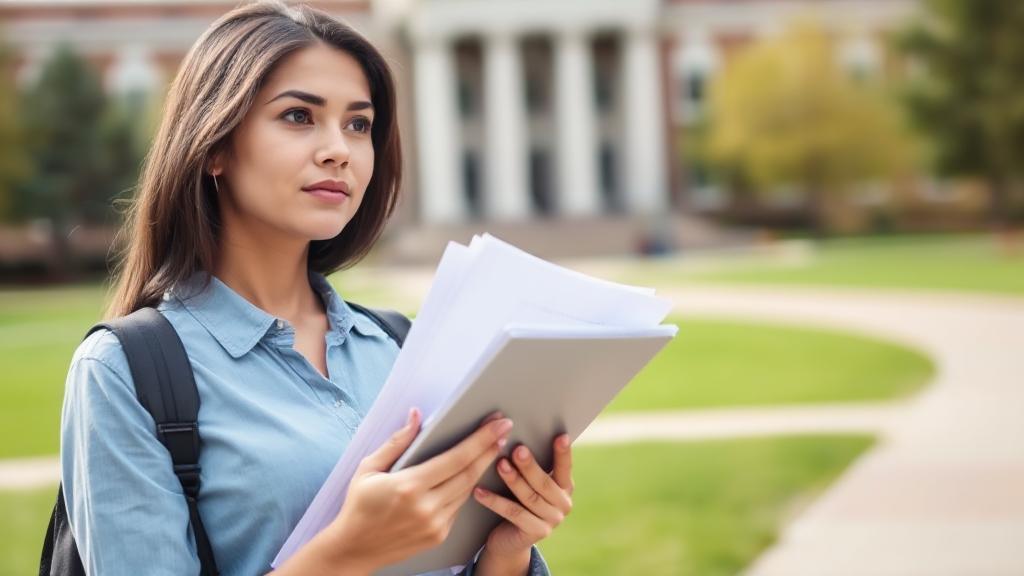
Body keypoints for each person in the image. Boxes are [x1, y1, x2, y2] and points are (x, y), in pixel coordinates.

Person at [60, 2, 574, 574]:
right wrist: (347, 550)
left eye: (359, 124)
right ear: (214, 147)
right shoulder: (122, 372)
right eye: (299, 116)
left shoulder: (401, 346)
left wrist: (505, 551)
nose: (340, 150)